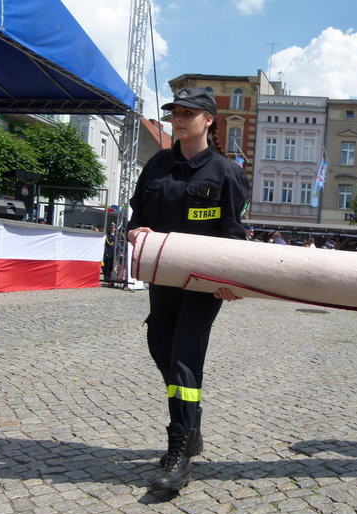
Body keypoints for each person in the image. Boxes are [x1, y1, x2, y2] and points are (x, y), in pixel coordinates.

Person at [126, 87, 250, 492]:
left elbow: (234, 236)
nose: (178, 119)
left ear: (209, 120)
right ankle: (192, 427)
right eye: (175, 112)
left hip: (203, 287)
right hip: (162, 280)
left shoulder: (226, 173)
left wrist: (230, 281)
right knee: (160, 347)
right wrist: (136, 232)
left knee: (183, 360)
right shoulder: (156, 166)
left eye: (188, 113)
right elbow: (137, 217)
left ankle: (178, 451)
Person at [102, 223, 116, 287]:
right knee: (106, 266)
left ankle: (110, 278)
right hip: (107, 253)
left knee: (111, 267)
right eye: (111, 227)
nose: (112, 228)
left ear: (115, 228)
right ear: (109, 228)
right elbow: (106, 244)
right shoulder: (107, 235)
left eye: (113, 227)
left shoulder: (116, 236)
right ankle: (105, 277)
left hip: (113, 253)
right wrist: (105, 253)